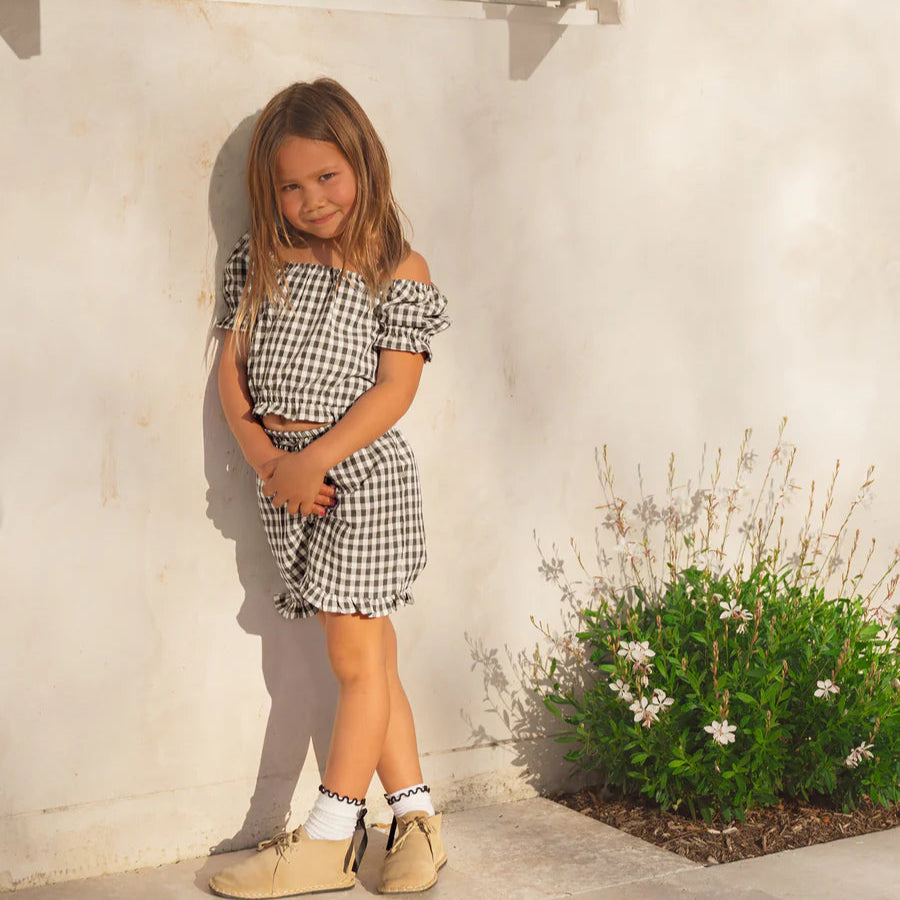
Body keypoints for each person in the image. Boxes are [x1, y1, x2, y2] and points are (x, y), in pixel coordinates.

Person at [209, 78, 450, 898]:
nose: (312, 199)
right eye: (291, 184)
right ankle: (416, 819)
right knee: (371, 655)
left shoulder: (396, 269)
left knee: (352, 660)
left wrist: (314, 461)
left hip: (359, 486)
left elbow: (395, 389)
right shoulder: (262, 260)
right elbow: (232, 377)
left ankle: (330, 835)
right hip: (289, 485)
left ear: (363, 165)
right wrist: (269, 461)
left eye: (328, 177)